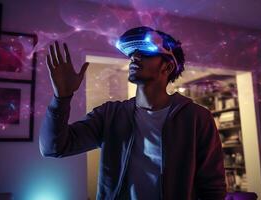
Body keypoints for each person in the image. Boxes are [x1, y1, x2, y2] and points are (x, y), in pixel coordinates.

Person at [39, 26, 226, 200]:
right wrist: (61, 98)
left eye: (145, 53)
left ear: (167, 67)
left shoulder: (196, 118)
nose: (134, 57)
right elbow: (54, 148)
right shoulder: (110, 115)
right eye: (133, 54)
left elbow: (212, 187)